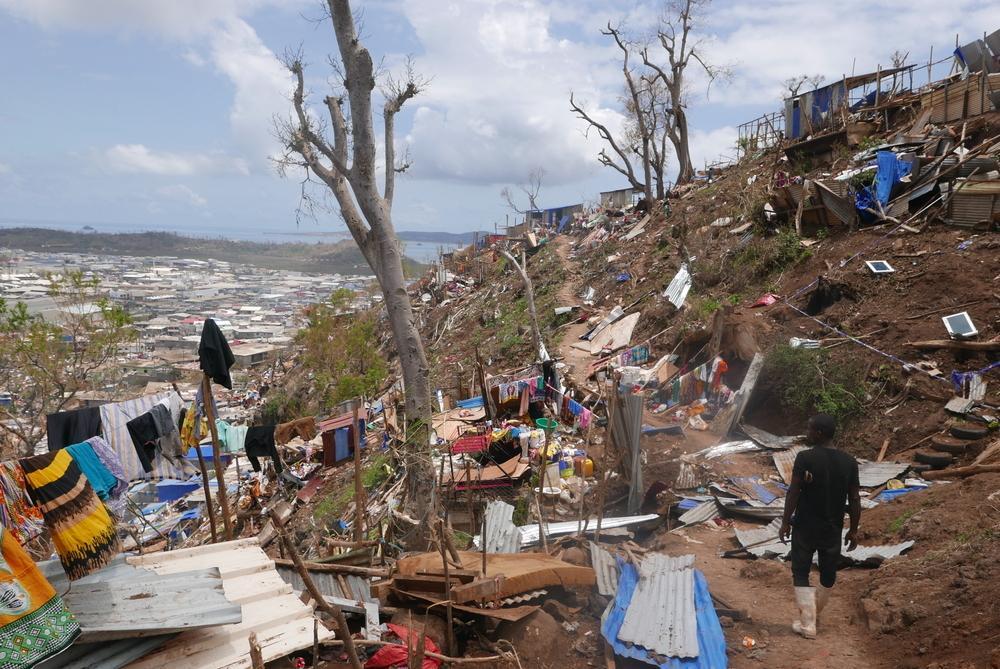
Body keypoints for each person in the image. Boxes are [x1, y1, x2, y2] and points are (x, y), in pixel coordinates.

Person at [779, 414, 861, 639]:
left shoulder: (805, 458)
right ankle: (814, 613)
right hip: (833, 528)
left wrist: (786, 522)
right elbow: (854, 499)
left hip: (805, 526)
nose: (807, 433)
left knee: (801, 571)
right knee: (828, 574)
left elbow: (793, 492)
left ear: (819, 433)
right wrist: (853, 529)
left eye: (810, 429)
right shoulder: (849, 462)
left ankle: (808, 624)